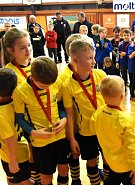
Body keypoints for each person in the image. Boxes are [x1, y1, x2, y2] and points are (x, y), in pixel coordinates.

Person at [13, 56, 70, 185]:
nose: (47, 88)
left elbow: (59, 104)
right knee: (46, 176)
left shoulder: (55, 82)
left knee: (64, 169)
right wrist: (33, 132)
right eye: (44, 85)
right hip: (41, 142)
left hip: (60, 135)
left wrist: (64, 118)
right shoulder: (20, 92)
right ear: (32, 77)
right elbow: (19, 118)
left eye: (50, 85)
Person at [63, 38, 107, 185]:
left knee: (108, 159)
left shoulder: (101, 75)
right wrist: (72, 138)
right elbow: (69, 114)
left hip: (105, 128)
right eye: (89, 58)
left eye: (93, 57)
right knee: (92, 161)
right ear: (75, 59)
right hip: (86, 132)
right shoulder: (68, 85)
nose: (93, 61)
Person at [2, 28, 42, 184]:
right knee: (24, 168)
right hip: (23, 127)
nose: (28, 50)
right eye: (22, 48)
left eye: (29, 45)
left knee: (38, 164)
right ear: (11, 51)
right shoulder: (8, 74)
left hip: (41, 121)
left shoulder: (38, 65)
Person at [57, 33, 93, 185]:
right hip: (74, 126)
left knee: (90, 155)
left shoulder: (89, 71)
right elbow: (60, 104)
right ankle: (76, 179)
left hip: (88, 125)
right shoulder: (65, 78)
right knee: (74, 155)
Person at [91, 75, 135, 185]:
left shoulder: (98, 113)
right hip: (127, 167)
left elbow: (93, 128)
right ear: (122, 97)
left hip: (111, 163)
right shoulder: (125, 120)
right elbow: (131, 147)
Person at [0, 68, 33, 185]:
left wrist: (13, 161)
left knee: (25, 181)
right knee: (12, 180)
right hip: (18, 151)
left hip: (14, 155)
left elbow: (10, 138)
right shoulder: (14, 102)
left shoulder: (2, 114)